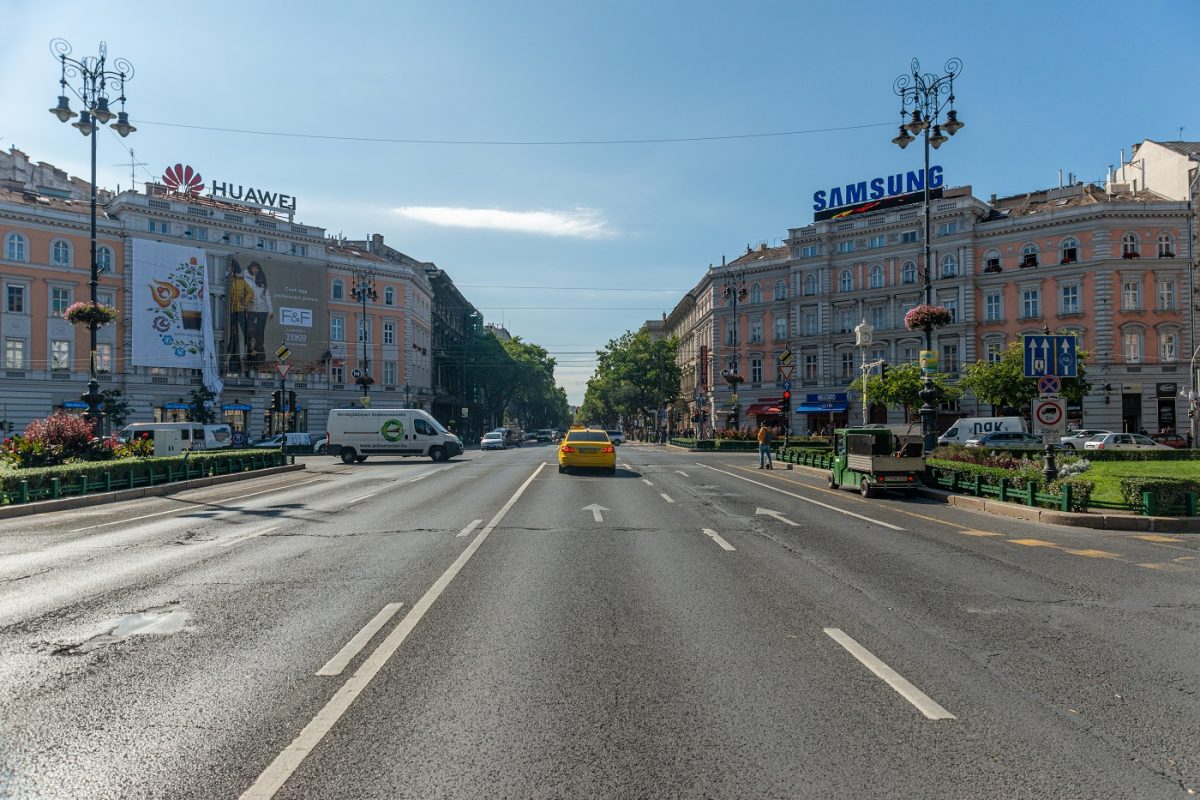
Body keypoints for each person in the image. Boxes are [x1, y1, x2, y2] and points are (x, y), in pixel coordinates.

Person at [225, 259, 254, 375]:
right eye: (229, 268)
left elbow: (251, 292)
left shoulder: (241, 281)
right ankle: (228, 362)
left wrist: (244, 301)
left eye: (231, 267)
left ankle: (243, 362)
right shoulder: (228, 281)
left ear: (234, 268)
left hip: (240, 311)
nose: (230, 270)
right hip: (230, 312)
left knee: (242, 337)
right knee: (231, 336)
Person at [245, 261, 273, 371]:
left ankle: (260, 359)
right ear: (250, 268)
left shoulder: (262, 280)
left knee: (260, 335)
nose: (255, 270)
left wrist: (271, 311)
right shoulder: (246, 279)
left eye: (257, 268)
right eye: (253, 268)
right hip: (251, 310)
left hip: (262, 311)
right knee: (251, 334)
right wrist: (245, 308)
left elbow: (267, 296)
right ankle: (250, 358)